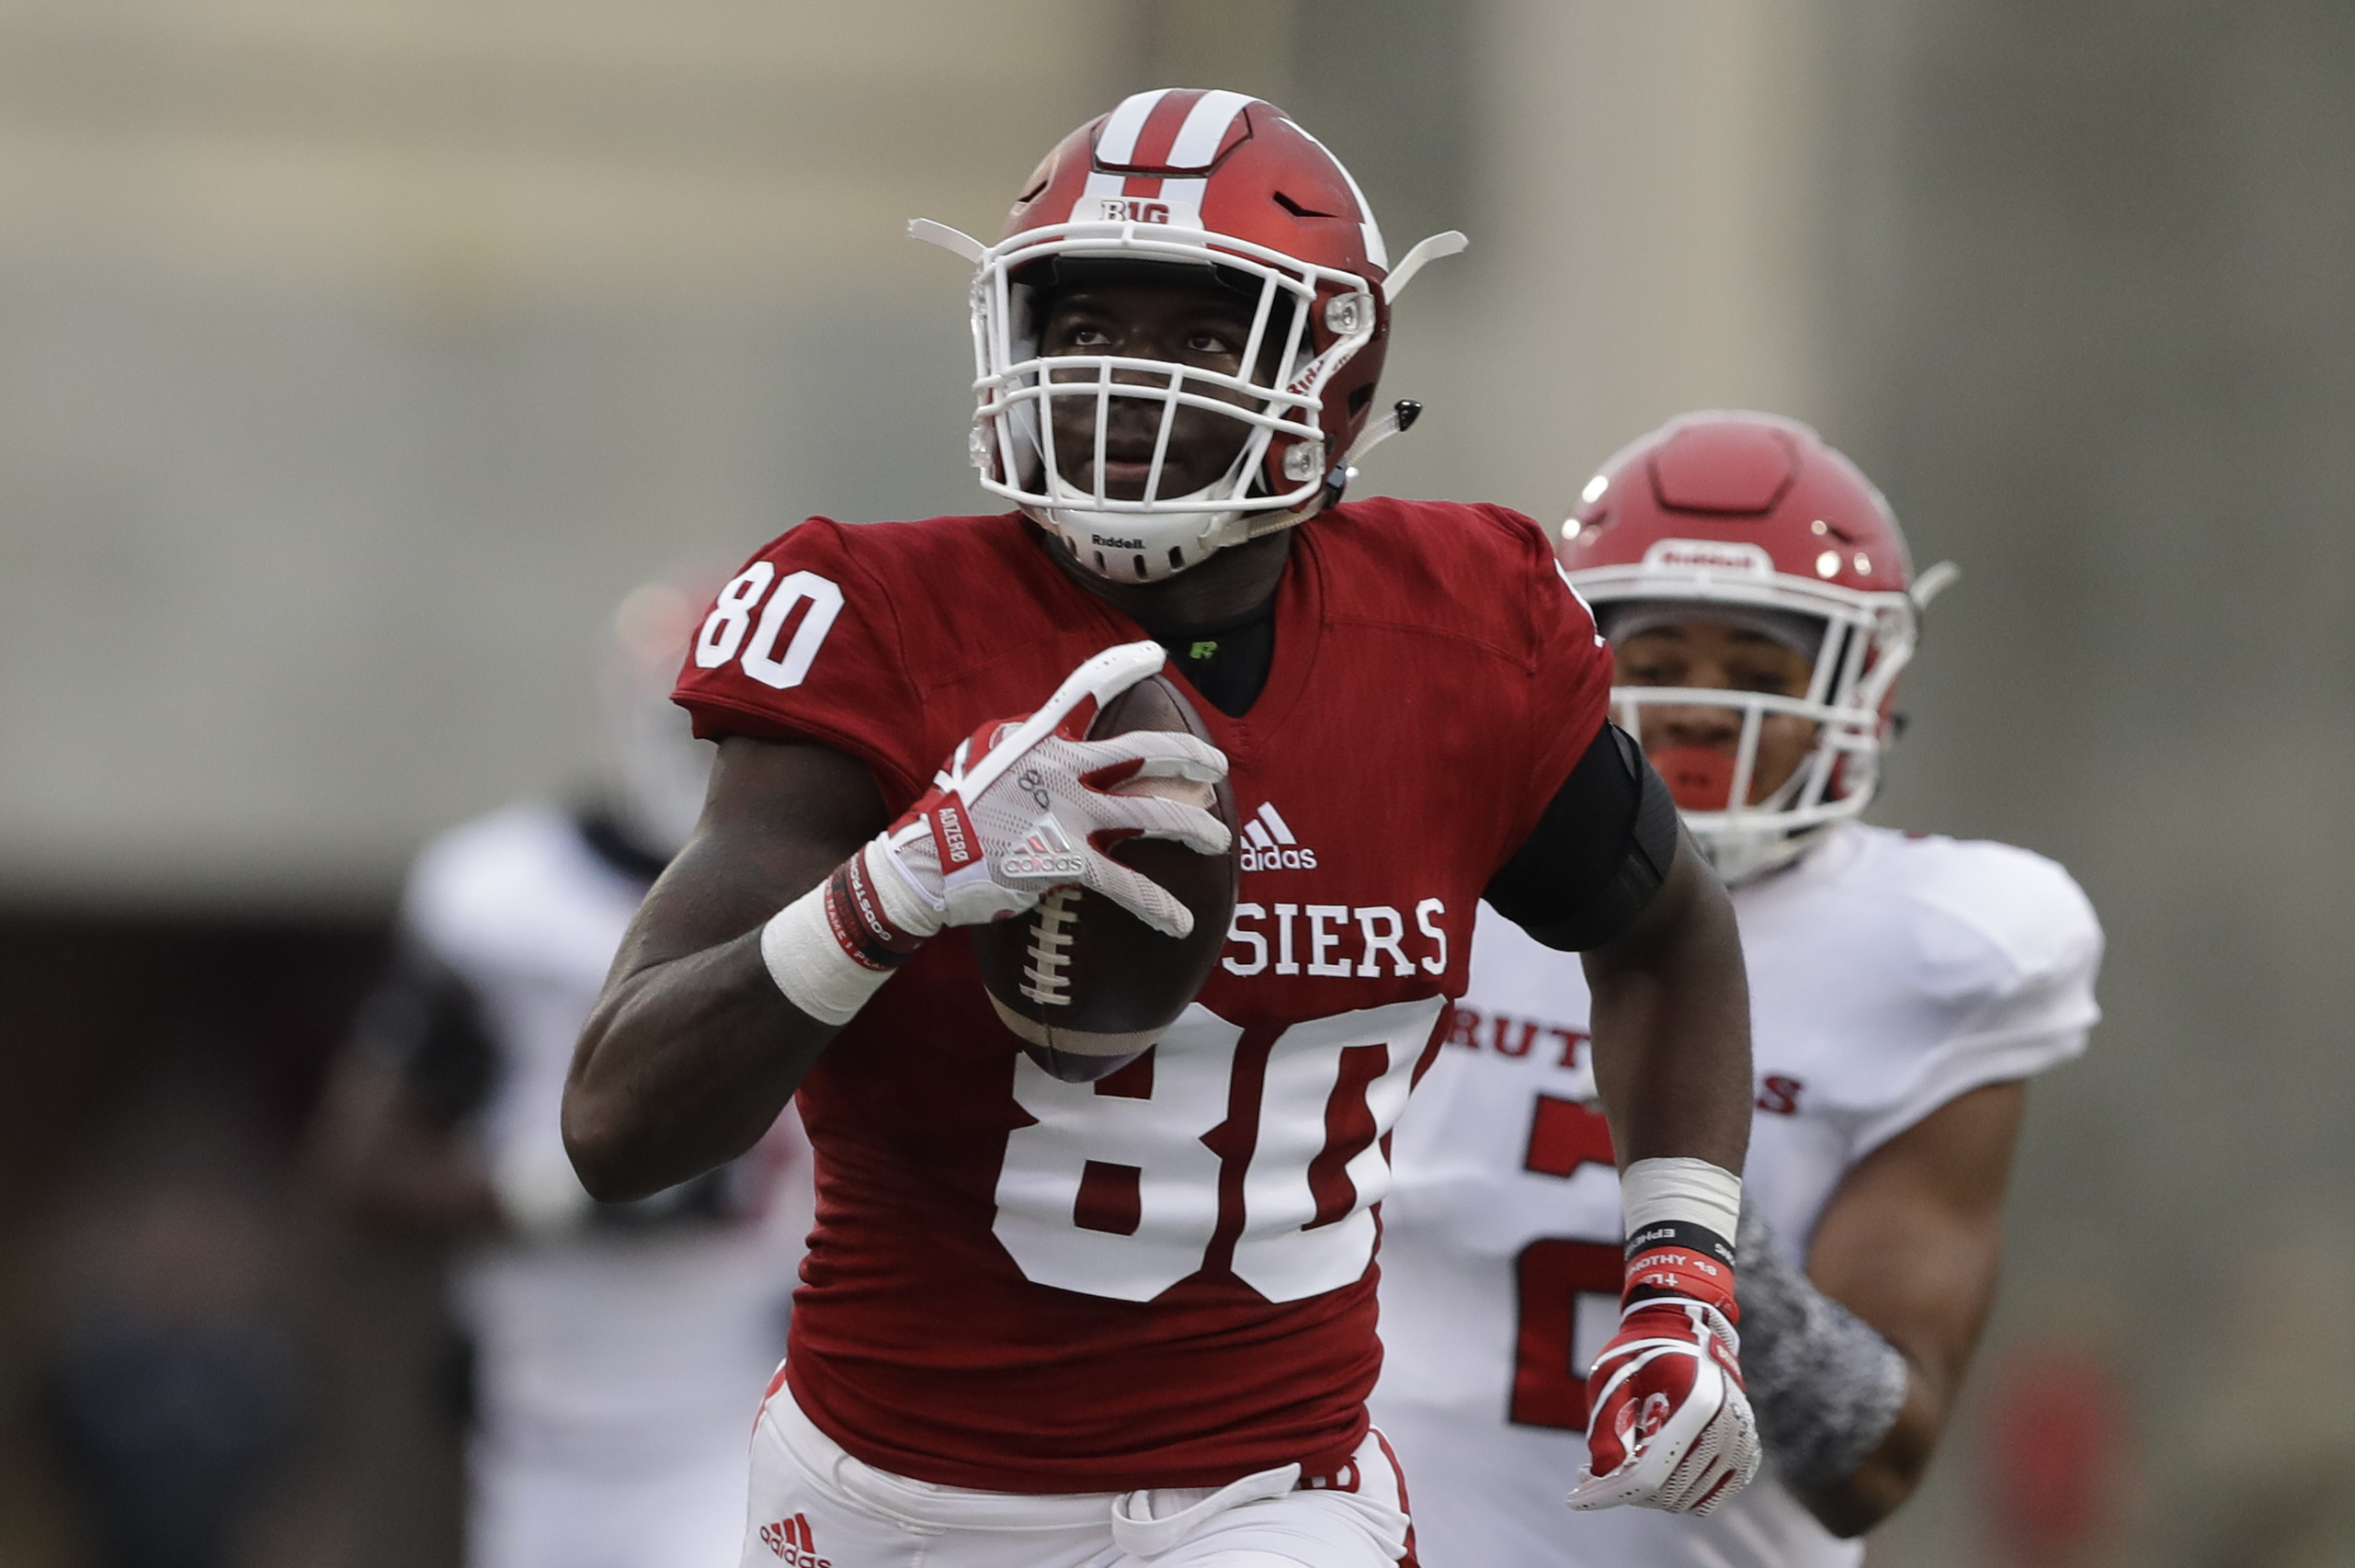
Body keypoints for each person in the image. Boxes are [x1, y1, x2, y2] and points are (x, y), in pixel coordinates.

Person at [561, 88, 1763, 1568]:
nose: (1126, 378)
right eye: (1083, 324)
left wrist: (1679, 1271)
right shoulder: (875, 623)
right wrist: (895, 884)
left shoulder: (1466, 625)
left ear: (1338, 362)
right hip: (896, 1502)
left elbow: (1669, 937)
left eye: (1198, 332)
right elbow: (617, 1127)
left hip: (1271, 1495)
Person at [1371, 411, 2104, 1568]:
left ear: (1866, 685)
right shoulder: (1434, 856)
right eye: (1658, 665)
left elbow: (1874, 1460)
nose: (1708, 710)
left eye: (1761, 671)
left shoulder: (1947, 944)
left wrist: (1690, 1220)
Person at [311, 574, 812, 1568]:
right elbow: (360, 1166)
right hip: (539, 1404)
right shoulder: (501, 897)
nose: (708, 766)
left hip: (752, 1391)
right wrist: (566, 1192)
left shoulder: (832, 882)